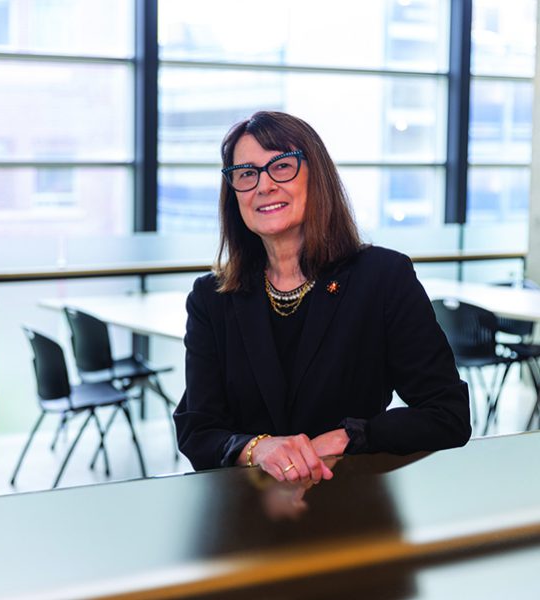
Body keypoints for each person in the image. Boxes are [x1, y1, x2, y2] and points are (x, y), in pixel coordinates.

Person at [173, 111, 471, 483]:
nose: (263, 186)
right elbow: (197, 432)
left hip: (354, 502)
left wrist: (349, 437)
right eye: (247, 173)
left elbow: (448, 414)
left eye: (282, 166)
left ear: (317, 176)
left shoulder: (382, 277)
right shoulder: (211, 298)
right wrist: (257, 448)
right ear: (233, 193)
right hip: (244, 510)